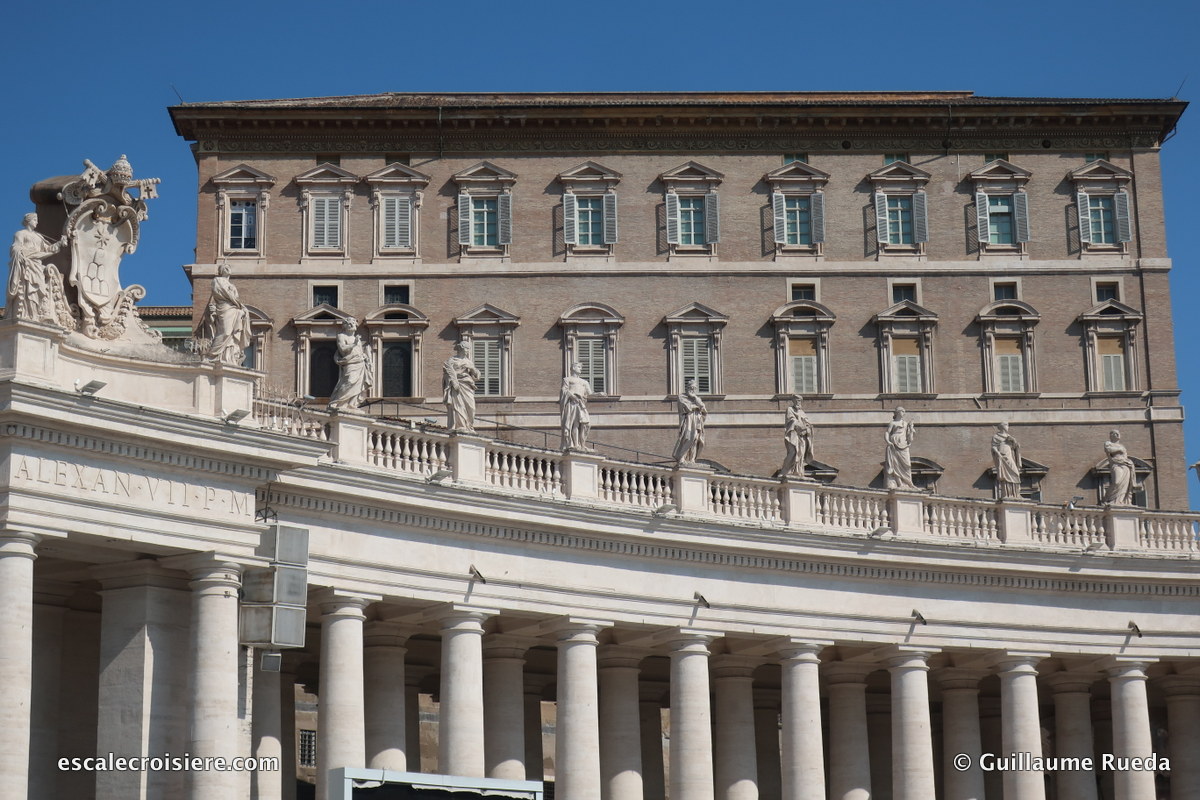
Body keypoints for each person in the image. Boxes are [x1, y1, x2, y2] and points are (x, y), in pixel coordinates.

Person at [7, 213, 64, 322]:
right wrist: (22, 254)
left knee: (38, 290)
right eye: (35, 220)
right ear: (29, 221)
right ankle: (27, 314)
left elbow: (48, 249)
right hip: (27, 265)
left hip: (37, 265)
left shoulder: (39, 237)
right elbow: (15, 247)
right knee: (28, 290)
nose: (37, 222)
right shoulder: (20, 234)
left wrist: (60, 243)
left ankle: (34, 315)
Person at [199, 263, 252, 366]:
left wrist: (239, 306)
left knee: (232, 333)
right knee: (226, 332)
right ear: (221, 271)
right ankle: (212, 355)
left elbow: (235, 298)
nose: (227, 268)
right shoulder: (217, 280)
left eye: (228, 267)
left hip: (233, 308)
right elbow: (223, 293)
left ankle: (229, 357)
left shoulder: (232, 286)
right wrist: (236, 302)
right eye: (225, 267)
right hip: (224, 308)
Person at [327, 319, 371, 411]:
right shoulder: (341, 336)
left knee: (358, 385)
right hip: (350, 363)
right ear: (345, 326)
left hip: (360, 363)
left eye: (353, 323)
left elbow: (358, 351)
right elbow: (342, 349)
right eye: (349, 323)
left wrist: (364, 355)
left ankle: (351, 404)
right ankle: (337, 402)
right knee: (349, 381)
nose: (351, 325)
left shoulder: (357, 339)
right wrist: (354, 344)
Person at [443, 341, 480, 433]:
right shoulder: (451, 361)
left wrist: (472, 368)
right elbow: (448, 372)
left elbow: (477, 375)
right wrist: (454, 382)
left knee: (471, 407)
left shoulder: (469, 362)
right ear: (461, 349)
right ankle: (461, 426)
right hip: (456, 386)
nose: (468, 351)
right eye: (466, 348)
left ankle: (469, 425)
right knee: (458, 405)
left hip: (467, 385)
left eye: (468, 349)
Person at [672, 379, 708, 466]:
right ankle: (681, 457)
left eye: (694, 388)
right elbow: (687, 408)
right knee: (688, 437)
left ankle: (692, 459)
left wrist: (695, 398)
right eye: (691, 387)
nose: (692, 389)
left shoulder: (697, 398)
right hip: (688, 419)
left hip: (697, 420)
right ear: (687, 387)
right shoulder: (681, 397)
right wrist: (696, 406)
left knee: (695, 439)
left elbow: (703, 408)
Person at [559, 361, 593, 451]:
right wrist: (572, 396)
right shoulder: (567, 379)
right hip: (572, 404)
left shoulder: (584, 382)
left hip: (581, 405)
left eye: (580, 367)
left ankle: (582, 445)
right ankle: (575, 445)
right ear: (573, 368)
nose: (580, 369)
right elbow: (564, 390)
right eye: (578, 367)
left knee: (586, 425)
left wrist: (599, 394)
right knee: (575, 424)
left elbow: (590, 394)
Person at [781, 396, 815, 479]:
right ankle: (785, 471)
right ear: (793, 401)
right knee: (792, 452)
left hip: (802, 437)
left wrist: (807, 427)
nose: (798, 402)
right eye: (796, 400)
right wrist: (799, 424)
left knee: (801, 454)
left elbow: (808, 423)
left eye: (799, 401)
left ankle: (798, 471)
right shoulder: (790, 409)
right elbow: (791, 420)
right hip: (793, 435)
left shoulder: (802, 412)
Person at [1102, 429, 1138, 505]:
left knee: (1125, 485)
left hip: (1125, 465)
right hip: (1116, 464)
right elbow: (1108, 450)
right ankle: (1108, 498)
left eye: (1118, 434)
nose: (1117, 435)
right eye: (1115, 433)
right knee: (1116, 482)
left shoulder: (1122, 446)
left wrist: (1120, 449)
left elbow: (1124, 455)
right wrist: (1119, 449)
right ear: (1111, 435)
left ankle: (1121, 501)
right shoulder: (1108, 443)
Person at [885, 406, 917, 490]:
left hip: (903, 443)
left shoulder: (905, 424)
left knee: (907, 464)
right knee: (896, 464)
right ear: (897, 412)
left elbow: (909, 436)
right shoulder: (893, 423)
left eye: (904, 411)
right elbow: (887, 432)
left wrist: (911, 428)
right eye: (902, 411)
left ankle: (909, 483)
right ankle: (899, 483)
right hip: (894, 443)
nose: (903, 413)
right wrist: (888, 441)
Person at [991, 421, 1022, 499]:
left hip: (1009, 456)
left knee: (1016, 473)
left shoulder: (1009, 436)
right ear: (1003, 427)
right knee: (1005, 475)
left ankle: (1016, 494)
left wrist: (1014, 442)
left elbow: (1015, 447)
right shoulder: (996, 437)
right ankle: (1007, 494)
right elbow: (993, 447)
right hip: (1002, 456)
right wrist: (998, 453)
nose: (1008, 427)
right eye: (1007, 425)